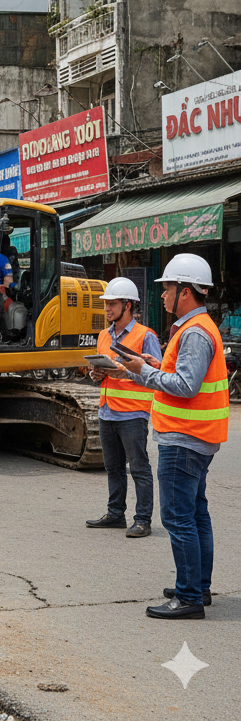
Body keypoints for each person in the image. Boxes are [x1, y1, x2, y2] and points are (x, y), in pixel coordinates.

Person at [118, 254, 229, 620]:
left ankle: (189, 597)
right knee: (195, 514)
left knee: (179, 518)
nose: (163, 295)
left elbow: (184, 385)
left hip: (184, 439)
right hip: (195, 438)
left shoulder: (194, 332)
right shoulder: (195, 327)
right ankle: (198, 587)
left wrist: (142, 371)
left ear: (185, 291)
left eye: (166, 288)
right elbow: (181, 374)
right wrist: (149, 366)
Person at [85, 277, 159, 538]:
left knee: (139, 468)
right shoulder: (103, 336)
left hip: (132, 413)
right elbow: (104, 373)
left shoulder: (146, 336)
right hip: (107, 410)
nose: (107, 308)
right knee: (113, 467)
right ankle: (115, 514)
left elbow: (156, 375)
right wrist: (97, 375)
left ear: (128, 305)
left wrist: (124, 372)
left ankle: (143, 520)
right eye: (106, 304)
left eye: (113, 304)